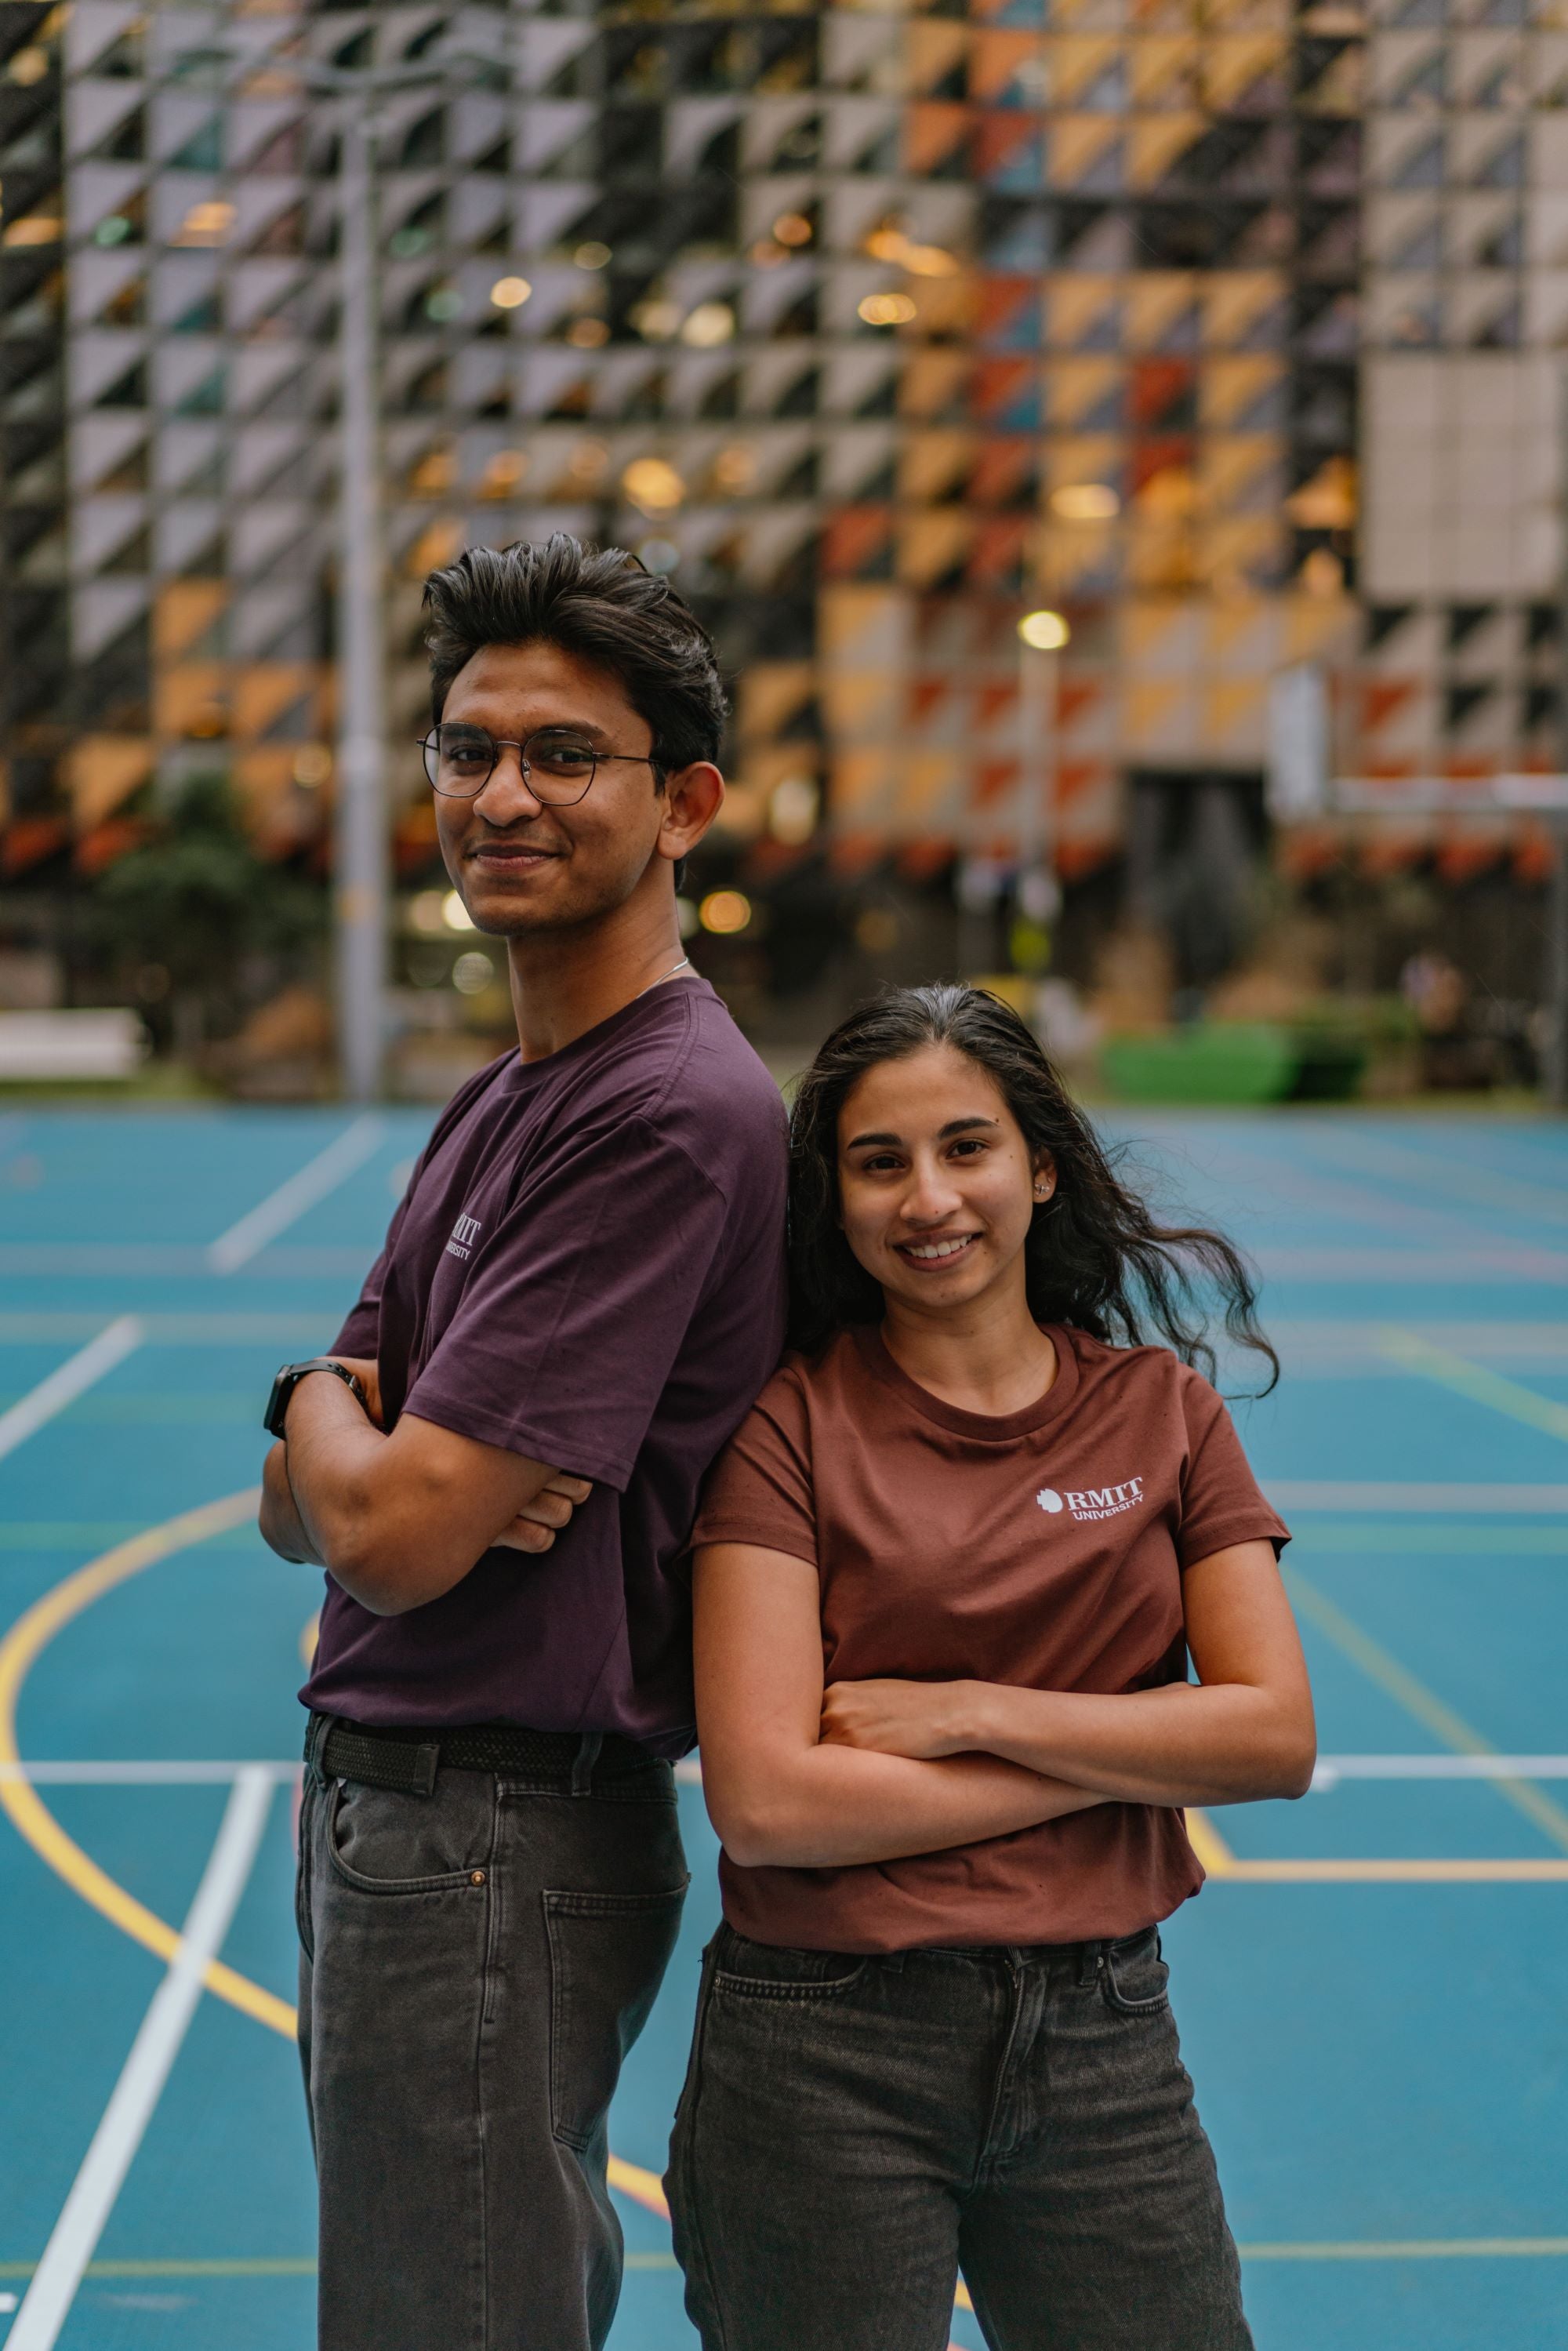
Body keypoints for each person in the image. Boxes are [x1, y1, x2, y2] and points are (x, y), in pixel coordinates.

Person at [258, 535, 788, 2351]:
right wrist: (325, 1416)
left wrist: (354, 1433)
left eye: (565, 753)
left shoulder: (662, 1112)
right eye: (466, 749)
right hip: (405, 1808)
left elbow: (391, 1538)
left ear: (683, 802)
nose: (501, 793)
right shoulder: (510, 1088)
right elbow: (308, 1499)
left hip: (492, 1824)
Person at [668, 983, 1314, 2351]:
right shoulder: (787, 1424)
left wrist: (974, 1714)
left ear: (1042, 1165)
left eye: (967, 1146)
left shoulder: (1165, 1413)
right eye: (878, 1160)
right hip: (823, 2046)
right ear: (833, 1199)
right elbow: (773, 1803)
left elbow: (1272, 1739)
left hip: (1102, 2034)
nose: (928, 1198)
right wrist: (1124, 1752)